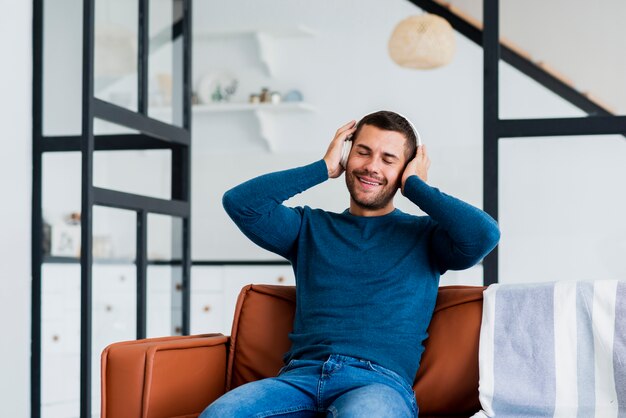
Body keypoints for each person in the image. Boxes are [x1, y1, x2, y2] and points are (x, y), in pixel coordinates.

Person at [200, 110, 500, 417]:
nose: (371, 166)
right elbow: (241, 203)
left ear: (406, 168)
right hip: (298, 379)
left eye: (388, 159)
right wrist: (323, 167)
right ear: (346, 154)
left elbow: (485, 234)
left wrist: (415, 186)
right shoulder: (308, 228)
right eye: (363, 152)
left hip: (378, 384)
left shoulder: (427, 237)